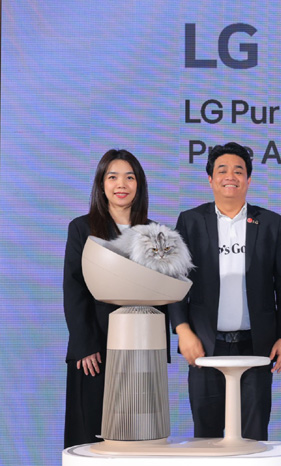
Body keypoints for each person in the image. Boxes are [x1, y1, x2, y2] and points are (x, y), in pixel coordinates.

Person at [169, 142, 281, 440]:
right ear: (210, 179)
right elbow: (175, 280)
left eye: (238, 171)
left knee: (253, 437)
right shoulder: (190, 221)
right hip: (204, 344)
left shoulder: (271, 223)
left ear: (248, 180)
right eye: (222, 170)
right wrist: (183, 330)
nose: (230, 176)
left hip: (257, 345)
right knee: (207, 437)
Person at [63, 149, 163, 447]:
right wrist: (85, 345)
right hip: (95, 349)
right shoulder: (82, 228)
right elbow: (74, 288)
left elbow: (163, 289)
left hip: (141, 348)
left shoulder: (155, 233)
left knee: (138, 433)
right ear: (101, 183)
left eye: (130, 177)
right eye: (113, 177)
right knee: (91, 436)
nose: (122, 184)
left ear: (139, 184)